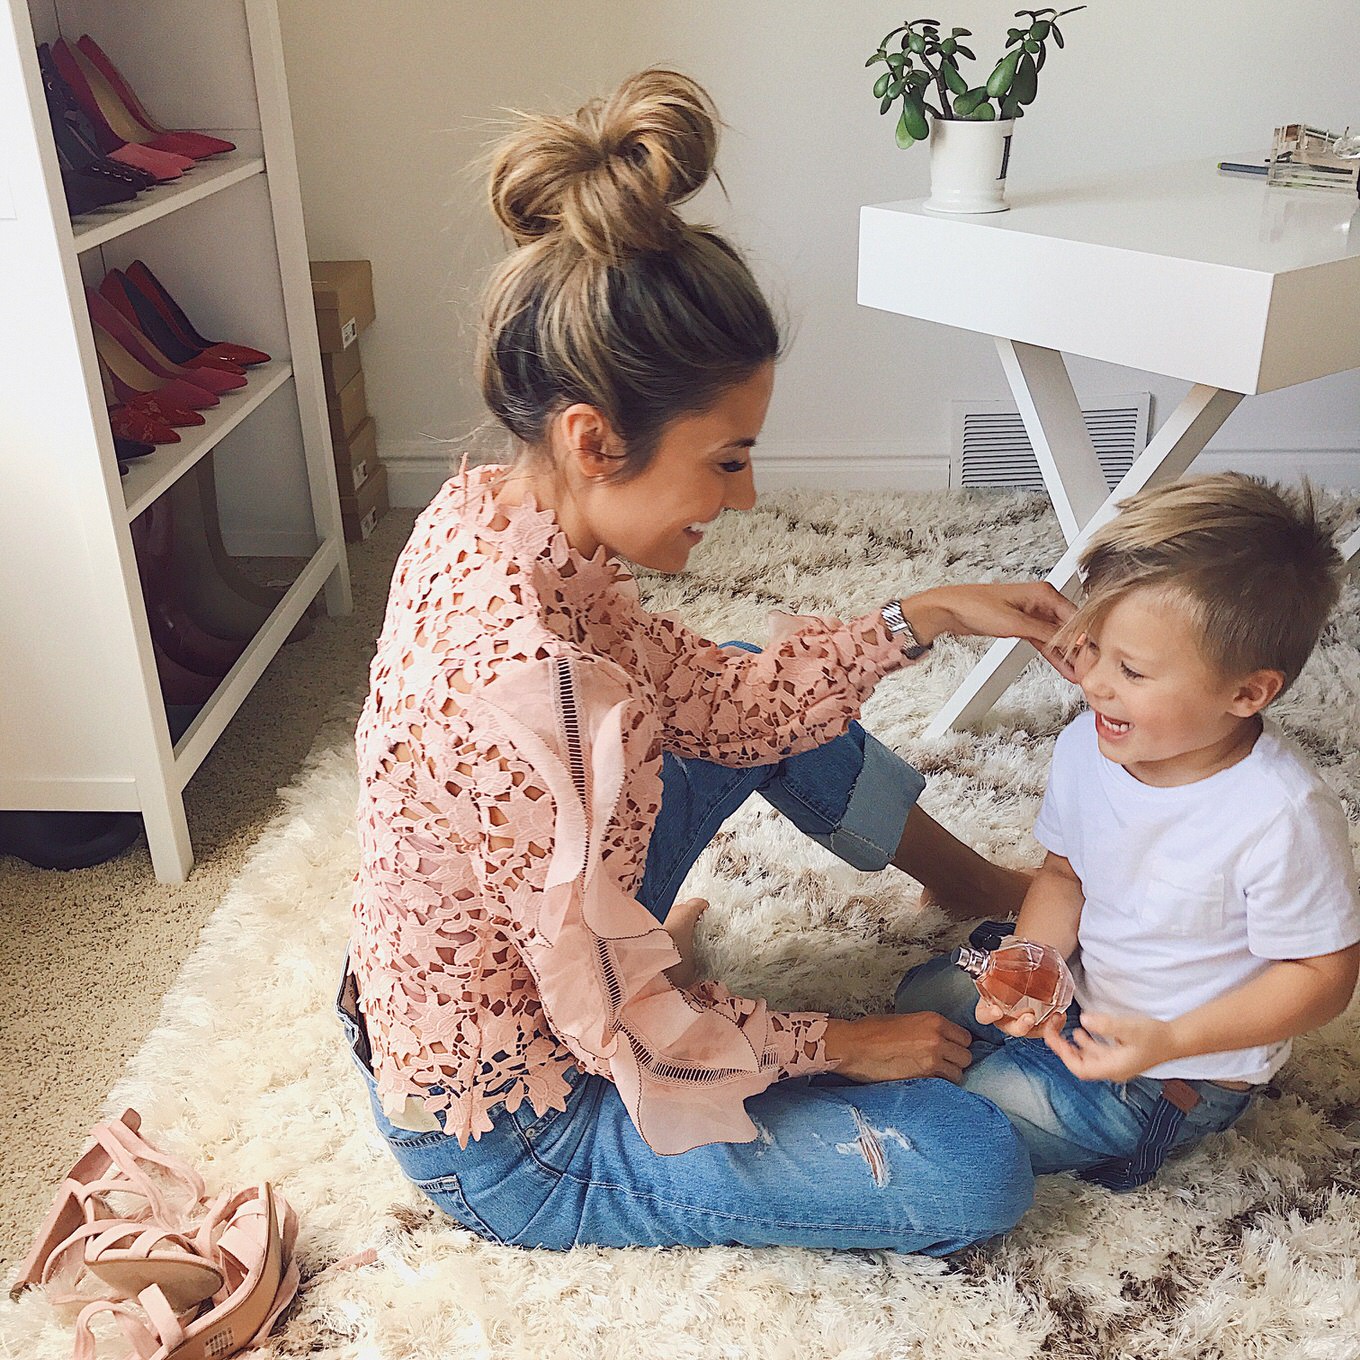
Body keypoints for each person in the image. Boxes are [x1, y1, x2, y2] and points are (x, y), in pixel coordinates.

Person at [337, 68, 1079, 1254]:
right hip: (518, 1129)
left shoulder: (495, 513)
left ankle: (975, 887)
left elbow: (729, 703)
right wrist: (840, 1043)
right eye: (727, 459)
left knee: (738, 671)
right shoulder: (526, 689)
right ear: (594, 438)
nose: (747, 495)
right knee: (969, 1169)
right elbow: (618, 1026)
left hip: (527, 922)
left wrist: (917, 616)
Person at [895, 473, 1360, 1190]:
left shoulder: (1282, 815)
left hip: (1173, 1069)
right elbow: (1063, 875)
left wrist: (1172, 1039)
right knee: (919, 1007)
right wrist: (1035, 963)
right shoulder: (1092, 743)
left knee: (958, 1117)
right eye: (1092, 650)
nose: (1096, 684)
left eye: (1133, 670)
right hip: (1082, 990)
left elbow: (1323, 978)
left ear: (1248, 692)